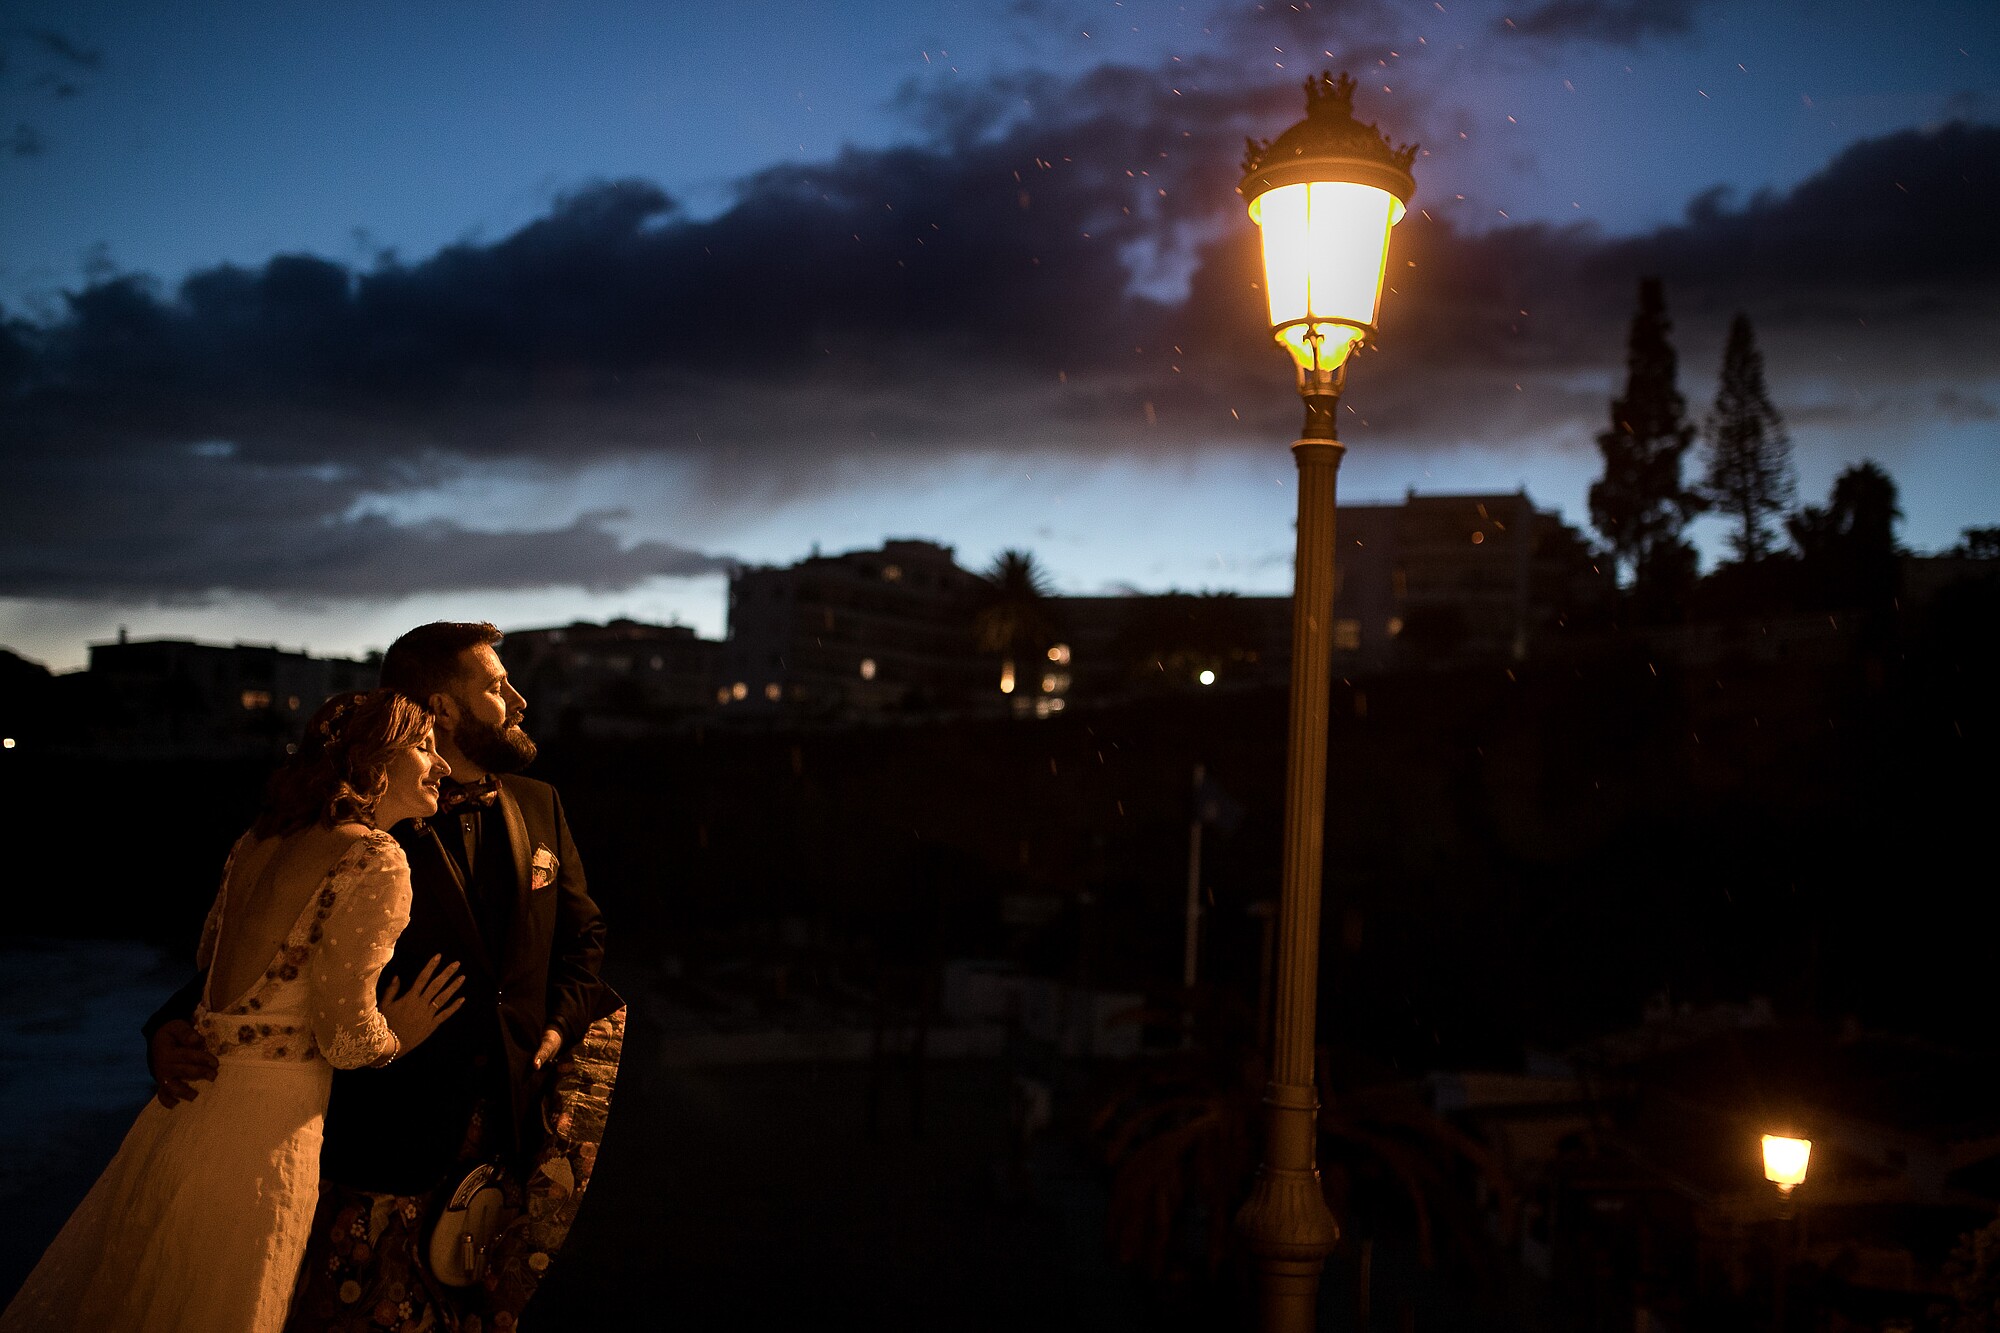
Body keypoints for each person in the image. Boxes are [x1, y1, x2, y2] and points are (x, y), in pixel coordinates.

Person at [148, 621, 617, 1332]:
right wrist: (169, 1026)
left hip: (506, 1143)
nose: (519, 699)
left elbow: (584, 937)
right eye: (496, 685)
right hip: (377, 1142)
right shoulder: (367, 820)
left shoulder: (539, 803)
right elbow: (277, 941)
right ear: (445, 707)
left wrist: (554, 1027)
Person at [0, 691, 465, 1333]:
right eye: (424, 746)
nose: (440, 765)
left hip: (185, 1122)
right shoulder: (374, 857)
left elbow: (211, 971)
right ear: (374, 758)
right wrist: (399, 1035)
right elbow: (346, 1039)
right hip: (265, 1135)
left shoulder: (258, 840)